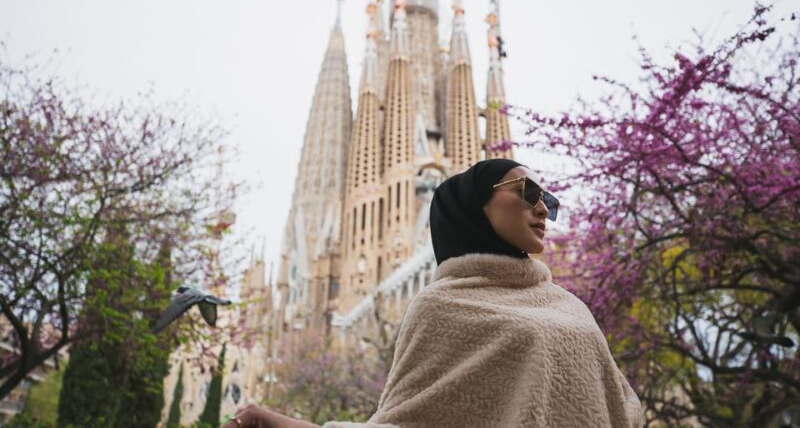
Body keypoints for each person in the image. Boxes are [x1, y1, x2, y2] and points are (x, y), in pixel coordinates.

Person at [223, 159, 645, 428]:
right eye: (528, 193)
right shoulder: (443, 306)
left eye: (548, 201)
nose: (542, 209)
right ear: (473, 206)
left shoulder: (567, 303)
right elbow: (403, 426)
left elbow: (623, 411)